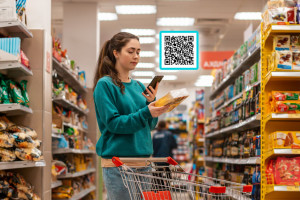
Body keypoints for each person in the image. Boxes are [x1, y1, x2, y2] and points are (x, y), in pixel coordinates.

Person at [93, 32, 170, 200]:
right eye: (131, 51)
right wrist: (145, 112)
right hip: (118, 164)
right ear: (116, 53)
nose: (136, 56)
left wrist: (153, 106)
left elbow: (149, 126)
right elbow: (114, 123)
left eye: (139, 52)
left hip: (144, 163)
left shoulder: (138, 86)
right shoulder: (105, 85)